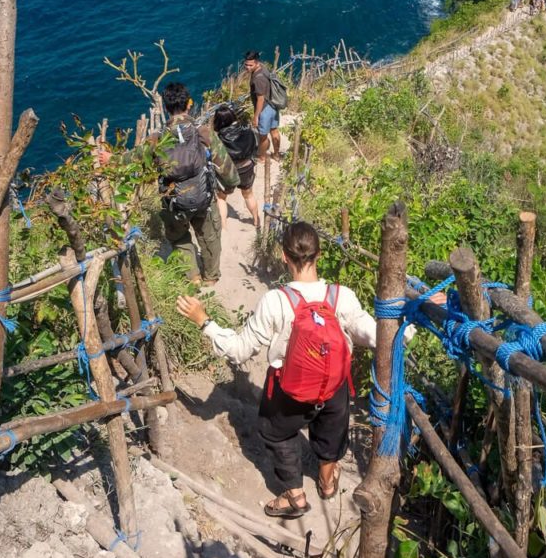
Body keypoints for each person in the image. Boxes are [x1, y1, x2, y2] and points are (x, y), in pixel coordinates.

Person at [177, 221, 444, 519]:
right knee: (331, 436)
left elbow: (239, 350)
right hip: (334, 388)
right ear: (319, 255)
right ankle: (327, 483)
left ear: (284, 256)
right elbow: (380, 337)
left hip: (288, 392)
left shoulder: (275, 301)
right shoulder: (341, 296)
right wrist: (417, 311)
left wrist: (204, 321)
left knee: (276, 434)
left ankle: (295, 496)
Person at [136, 82, 239, 285]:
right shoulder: (203, 133)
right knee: (210, 237)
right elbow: (227, 168)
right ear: (189, 105)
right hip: (204, 197)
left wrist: (109, 159)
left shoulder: (156, 140)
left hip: (174, 202)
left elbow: (134, 159)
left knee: (179, 238)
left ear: (166, 108)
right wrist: (230, 186)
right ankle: (211, 277)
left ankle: (193, 277)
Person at [212, 104, 261, 232]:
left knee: (222, 197)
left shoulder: (218, 139)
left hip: (229, 171)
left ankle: (224, 227)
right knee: (248, 194)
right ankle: (256, 220)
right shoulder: (247, 129)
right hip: (247, 166)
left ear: (218, 121)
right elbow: (254, 146)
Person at [244, 49, 281, 165]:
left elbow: (260, 99)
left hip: (264, 109)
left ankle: (262, 157)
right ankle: (276, 154)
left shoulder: (258, 78)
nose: (247, 67)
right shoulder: (263, 68)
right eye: (246, 64)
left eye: (250, 65)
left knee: (263, 136)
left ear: (256, 63)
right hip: (273, 106)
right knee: (274, 131)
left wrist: (256, 117)